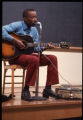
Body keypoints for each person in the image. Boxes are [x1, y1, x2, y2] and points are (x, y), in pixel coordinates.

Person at [2, 9, 61, 101]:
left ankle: (48, 89)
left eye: (36, 17)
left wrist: (45, 47)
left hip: (28, 56)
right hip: (15, 56)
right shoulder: (18, 25)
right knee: (34, 59)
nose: (35, 19)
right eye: (32, 17)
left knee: (52, 58)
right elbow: (2, 30)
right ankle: (26, 90)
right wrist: (14, 41)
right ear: (25, 18)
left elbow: (35, 48)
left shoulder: (34, 30)